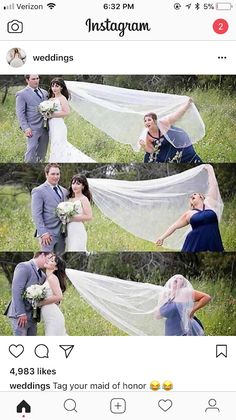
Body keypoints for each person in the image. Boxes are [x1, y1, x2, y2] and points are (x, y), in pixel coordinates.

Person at [155, 164, 224, 251]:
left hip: (213, 241)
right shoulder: (188, 214)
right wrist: (162, 237)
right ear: (191, 203)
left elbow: (213, 185)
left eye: (195, 194)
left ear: (201, 197)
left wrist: (210, 169)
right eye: (191, 197)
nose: (192, 195)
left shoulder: (209, 203)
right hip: (195, 243)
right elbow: (174, 226)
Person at [139, 98, 203, 163]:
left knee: (187, 155)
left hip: (177, 140)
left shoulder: (163, 123)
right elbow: (151, 151)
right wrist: (144, 146)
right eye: (145, 121)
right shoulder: (147, 134)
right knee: (149, 158)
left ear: (155, 121)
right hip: (165, 148)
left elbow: (177, 115)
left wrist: (187, 104)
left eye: (149, 120)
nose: (147, 122)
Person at [47, 78, 95, 163]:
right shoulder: (50, 99)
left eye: (57, 86)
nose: (54, 88)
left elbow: (67, 112)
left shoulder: (62, 98)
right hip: (51, 125)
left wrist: (52, 115)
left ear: (61, 87)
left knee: (60, 145)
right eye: (52, 86)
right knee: (54, 146)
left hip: (58, 126)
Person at [4, 252, 48, 336]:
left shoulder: (43, 275)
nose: (49, 261)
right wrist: (21, 313)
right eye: (49, 258)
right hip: (20, 315)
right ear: (42, 255)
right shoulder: (24, 266)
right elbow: (16, 290)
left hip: (33, 316)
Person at [31, 163, 68, 254]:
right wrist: (43, 233)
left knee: (58, 260)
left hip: (63, 233)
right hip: (48, 235)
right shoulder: (39, 191)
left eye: (57, 174)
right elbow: (36, 214)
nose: (56, 177)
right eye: (53, 174)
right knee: (47, 259)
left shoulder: (64, 191)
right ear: (46, 174)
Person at [16, 75, 49, 162]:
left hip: (45, 128)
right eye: (33, 79)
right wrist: (26, 128)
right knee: (31, 151)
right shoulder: (21, 94)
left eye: (37, 78)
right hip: (32, 128)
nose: (36, 81)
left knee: (42, 153)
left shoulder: (45, 93)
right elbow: (20, 113)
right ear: (27, 80)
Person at [39, 254, 67, 336]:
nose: (48, 260)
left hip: (53, 317)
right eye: (49, 259)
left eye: (51, 261)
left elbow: (59, 296)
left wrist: (40, 303)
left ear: (56, 268)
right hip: (50, 317)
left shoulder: (52, 278)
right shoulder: (47, 278)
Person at [66, 174, 93, 252]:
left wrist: (72, 218)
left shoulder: (84, 199)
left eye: (78, 184)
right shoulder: (70, 199)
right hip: (68, 230)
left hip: (78, 229)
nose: (75, 186)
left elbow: (89, 216)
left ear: (83, 186)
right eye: (73, 183)